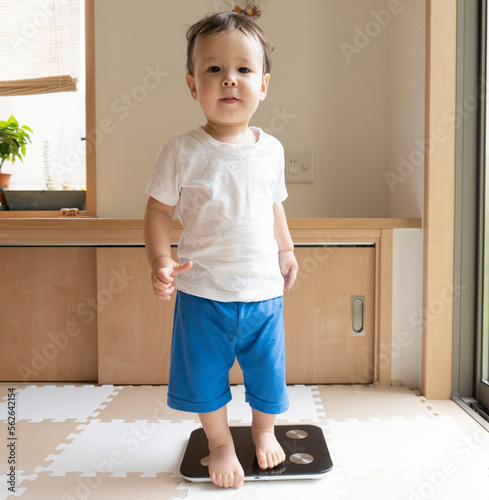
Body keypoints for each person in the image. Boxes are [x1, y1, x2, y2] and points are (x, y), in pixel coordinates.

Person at [143, 11, 298, 489]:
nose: (229, 78)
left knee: (267, 375)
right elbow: (157, 212)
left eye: (244, 69)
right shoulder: (182, 149)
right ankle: (218, 442)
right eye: (213, 69)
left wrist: (286, 250)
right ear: (193, 85)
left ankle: (263, 431)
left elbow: (274, 207)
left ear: (264, 85)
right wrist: (161, 260)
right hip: (204, 292)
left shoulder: (270, 149)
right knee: (205, 377)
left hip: (262, 294)